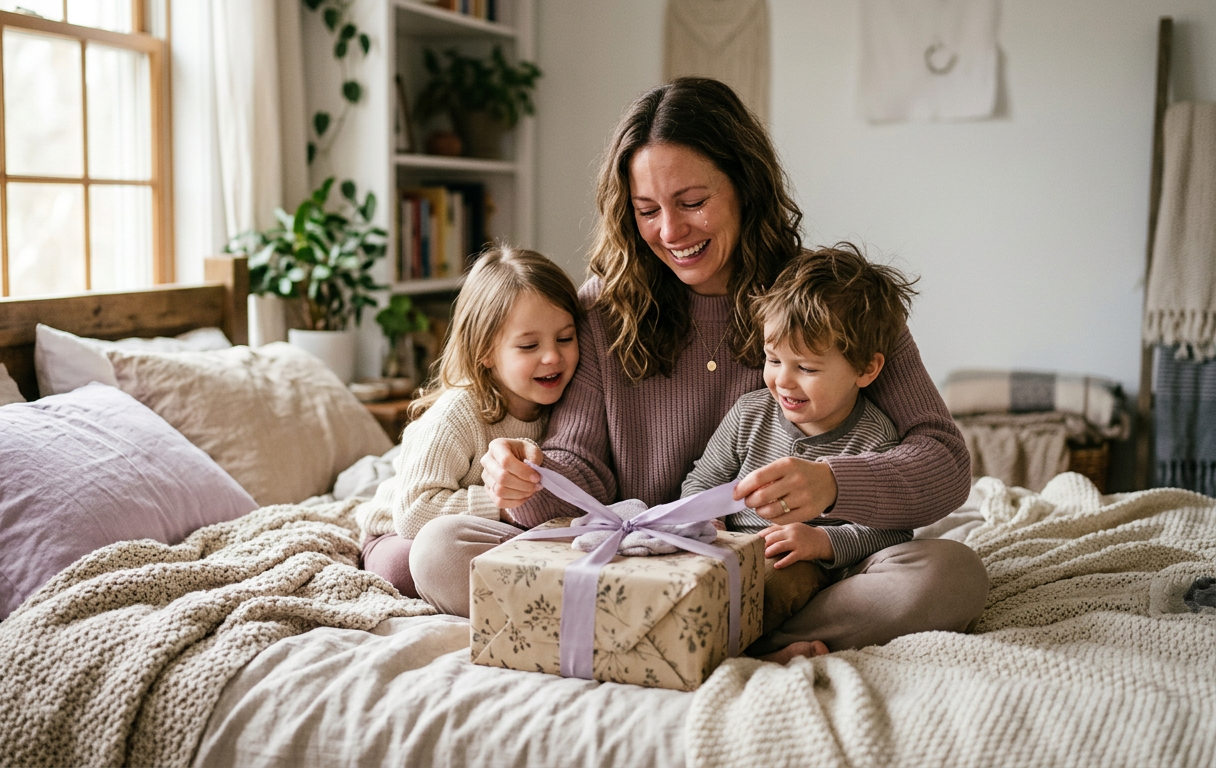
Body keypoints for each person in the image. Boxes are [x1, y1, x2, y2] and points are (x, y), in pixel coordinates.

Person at [414, 77, 989, 657]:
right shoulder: (598, 311)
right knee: (438, 548)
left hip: (790, 576)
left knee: (950, 574)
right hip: (639, 567)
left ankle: (660, 638)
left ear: (745, 185)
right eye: (647, 210)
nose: (670, 231)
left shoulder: (832, 302)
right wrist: (532, 480)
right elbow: (581, 471)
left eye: (692, 203)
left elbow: (941, 460)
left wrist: (834, 485)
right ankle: (726, 641)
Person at [680, 243, 918, 662]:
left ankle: (729, 655)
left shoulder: (874, 437)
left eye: (806, 368)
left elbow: (893, 531)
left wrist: (821, 542)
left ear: (867, 370)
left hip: (807, 569)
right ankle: (742, 648)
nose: (783, 381)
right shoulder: (750, 413)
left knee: (778, 582)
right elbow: (702, 480)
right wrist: (707, 521)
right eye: (773, 360)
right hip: (727, 552)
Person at [357, 245, 581, 602]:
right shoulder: (459, 413)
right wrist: (505, 505)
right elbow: (414, 511)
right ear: (486, 352)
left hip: (487, 531)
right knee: (405, 566)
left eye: (565, 339)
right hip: (400, 532)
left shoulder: (570, 402)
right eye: (528, 346)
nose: (552, 356)